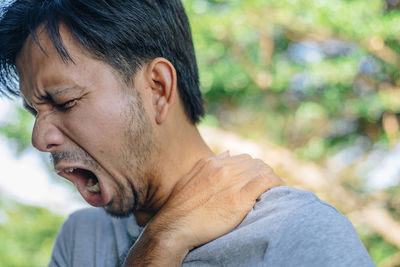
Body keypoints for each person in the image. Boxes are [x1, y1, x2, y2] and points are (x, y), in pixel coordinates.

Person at [0, 0, 375, 266]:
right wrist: (159, 245)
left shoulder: (299, 233)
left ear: (158, 88)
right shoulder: (80, 240)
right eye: (35, 111)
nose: (39, 137)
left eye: (64, 102)